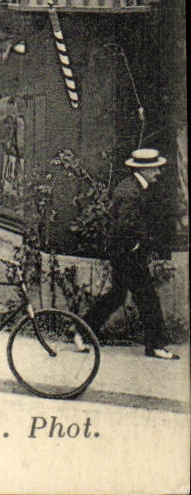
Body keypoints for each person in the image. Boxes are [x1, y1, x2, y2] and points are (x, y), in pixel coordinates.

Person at [83, 148, 180, 360]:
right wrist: (138, 246)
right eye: (154, 169)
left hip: (124, 253)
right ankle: (155, 345)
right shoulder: (131, 192)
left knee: (117, 295)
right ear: (144, 170)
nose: (158, 173)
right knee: (148, 299)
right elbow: (127, 226)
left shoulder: (134, 187)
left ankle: (81, 330)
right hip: (128, 254)